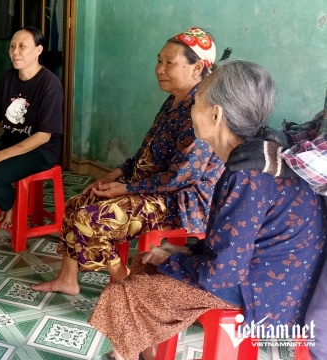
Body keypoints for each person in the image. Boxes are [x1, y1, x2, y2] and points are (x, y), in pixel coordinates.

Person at [88, 61, 326, 360]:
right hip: (272, 275)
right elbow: (239, 239)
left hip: (266, 293)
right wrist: (187, 251)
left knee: (125, 292)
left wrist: (174, 259)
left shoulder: (246, 174)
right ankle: (145, 353)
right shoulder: (262, 150)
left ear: (216, 115)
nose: (191, 108)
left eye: (197, 100)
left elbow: (221, 274)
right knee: (146, 262)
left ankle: (124, 355)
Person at [32, 27, 224, 293]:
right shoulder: (172, 102)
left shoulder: (200, 110)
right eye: (159, 60)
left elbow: (180, 177)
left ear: (197, 68)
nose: (159, 69)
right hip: (149, 187)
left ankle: (126, 282)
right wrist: (114, 175)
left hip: (178, 200)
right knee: (78, 203)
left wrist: (124, 189)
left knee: (89, 220)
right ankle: (67, 279)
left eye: (169, 63)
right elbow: (146, 152)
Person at [0, 27, 63, 229]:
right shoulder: (7, 78)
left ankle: (11, 205)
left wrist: (0, 156)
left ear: (38, 50)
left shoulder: (50, 84)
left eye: (22, 46)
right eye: (12, 46)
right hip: (11, 141)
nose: (15, 52)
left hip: (41, 150)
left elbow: (43, 136)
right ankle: (8, 203)